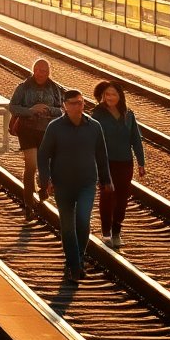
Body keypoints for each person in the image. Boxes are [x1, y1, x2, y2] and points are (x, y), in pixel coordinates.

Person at [38, 89, 114, 283]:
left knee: (82, 220)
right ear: (64, 106)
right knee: (67, 226)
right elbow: (43, 154)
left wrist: (106, 180)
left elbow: (101, 155)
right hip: (62, 184)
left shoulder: (94, 126)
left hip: (87, 182)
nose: (77, 107)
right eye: (72, 103)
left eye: (80, 103)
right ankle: (74, 264)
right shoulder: (54, 127)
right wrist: (45, 179)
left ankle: (77, 259)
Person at [93, 80, 146, 250]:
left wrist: (141, 162)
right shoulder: (98, 114)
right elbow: (92, 139)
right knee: (107, 194)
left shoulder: (128, 115)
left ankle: (117, 231)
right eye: (107, 94)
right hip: (106, 162)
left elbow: (135, 140)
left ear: (120, 96)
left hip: (125, 163)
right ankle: (106, 232)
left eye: (113, 94)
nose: (110, 97)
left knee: (122, 198)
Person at [9, 59, 64, 220]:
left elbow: (60, 110)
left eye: (45, 71)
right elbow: (12, 106)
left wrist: (48, 109)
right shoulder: (23, 87)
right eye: (39, 70)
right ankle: (28, 204)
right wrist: (30, 110)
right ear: (34, 70)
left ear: (49, 72)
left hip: (47, 131)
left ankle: (43, 188)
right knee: (31, 165)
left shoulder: (55, 89)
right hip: (27, 131)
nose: (42, 73)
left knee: (45, 165)